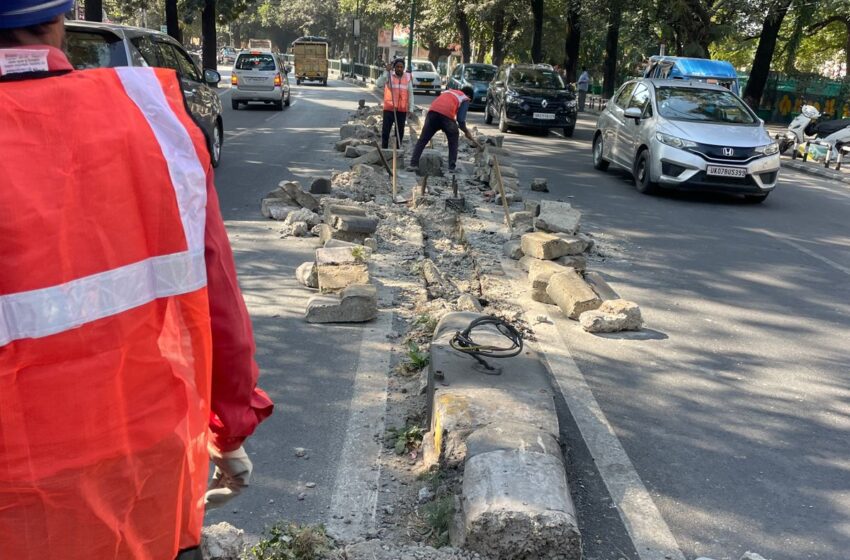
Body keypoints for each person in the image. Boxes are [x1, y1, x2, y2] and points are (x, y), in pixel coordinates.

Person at [0, 3, 273, 560]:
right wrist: (229, 430)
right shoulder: (151, 120)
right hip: (142, 472)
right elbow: (217, 295)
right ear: (57, 21)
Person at [409, 87, 476, 173]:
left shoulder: (449, 92)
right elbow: (461, 120)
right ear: (469, 96)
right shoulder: (465, 98)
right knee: (453, 138)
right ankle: (452, 167)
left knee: (423, 139)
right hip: (446, 117)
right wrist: (466, 131)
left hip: (432, 113)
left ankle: (413, 164)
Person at [376, 56, 414, 149]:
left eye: (401, 67)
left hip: (401, 110)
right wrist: (386, 72)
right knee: (386, 131)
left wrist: (411, 108)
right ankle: (384, 149)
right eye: (397, 67)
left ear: (403, 68)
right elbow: (379, 84)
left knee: (400, 132)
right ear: (394, 67)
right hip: (389, 108)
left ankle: (398, 151)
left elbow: (410, 94)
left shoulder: (407, 78)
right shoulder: (389, 75)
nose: (399, 69)